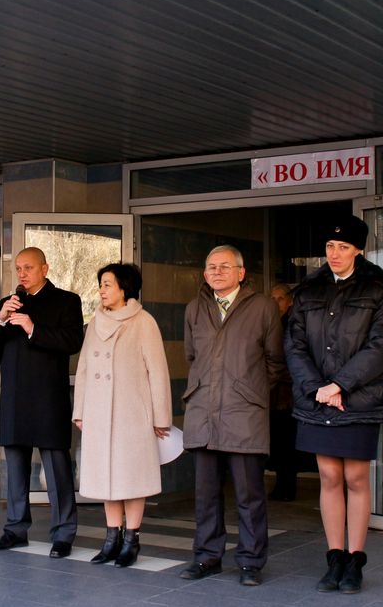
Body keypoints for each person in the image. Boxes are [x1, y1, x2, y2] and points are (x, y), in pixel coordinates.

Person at [286, 218, 383, 593]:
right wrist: (318, 387)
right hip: (318, 398)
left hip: (357, 399)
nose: (335, 254)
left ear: (358, 250)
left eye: (344, 248)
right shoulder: (308, 290)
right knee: (329, 477)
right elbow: (295, 344)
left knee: (355, 478)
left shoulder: (379, 287)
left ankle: (355, 559)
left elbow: (382, 345)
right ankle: (334, 557)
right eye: (331, 248)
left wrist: (340, 385)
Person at [179, 245, 285, 587]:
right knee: (206, 493)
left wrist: (247, 389)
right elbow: (191, 355)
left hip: (244, 412)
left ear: (241, 272)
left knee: (249, 493)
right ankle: (207, 556)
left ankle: (251, 561)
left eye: (225, 266)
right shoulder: (195, 308)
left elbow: (275, 361)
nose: (217, 272)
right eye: (211, 267)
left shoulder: (263, 307)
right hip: (204, 409)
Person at [0, 247, 84, 557]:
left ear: (45, 268)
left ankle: (63, 532)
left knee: (57, 469)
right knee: (15, 469)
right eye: (18, 268)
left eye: (28, 267)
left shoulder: (67, 301)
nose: (22, 273)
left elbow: (72, 342)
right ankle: (15, 529)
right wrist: (0, 318)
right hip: (15, 397)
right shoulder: (9, 304)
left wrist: (32, 328)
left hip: (48, 397)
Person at [73, 263, 172, 567]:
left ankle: (132, 538)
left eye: (107, 284)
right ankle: (111, 538)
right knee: (105, 477)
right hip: (99, 413)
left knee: (132, 477)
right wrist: (80, 410)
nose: (101, 290)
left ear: (124, 288)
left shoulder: (144, 321)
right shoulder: (95, 322)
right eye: (100, 284)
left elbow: (157, 371)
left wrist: (160, 417)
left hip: (132, 413)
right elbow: (85, 368)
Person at [268, 282, 300, 501]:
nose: (275, 303)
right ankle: (281, 484)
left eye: (280, 299)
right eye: (272, 299)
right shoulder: (272, 323)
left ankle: (288, 486)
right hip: (274, 394)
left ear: (289, 302)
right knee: (278, 442)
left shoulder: (293, 325)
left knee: (288, 442)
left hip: (289, 395)